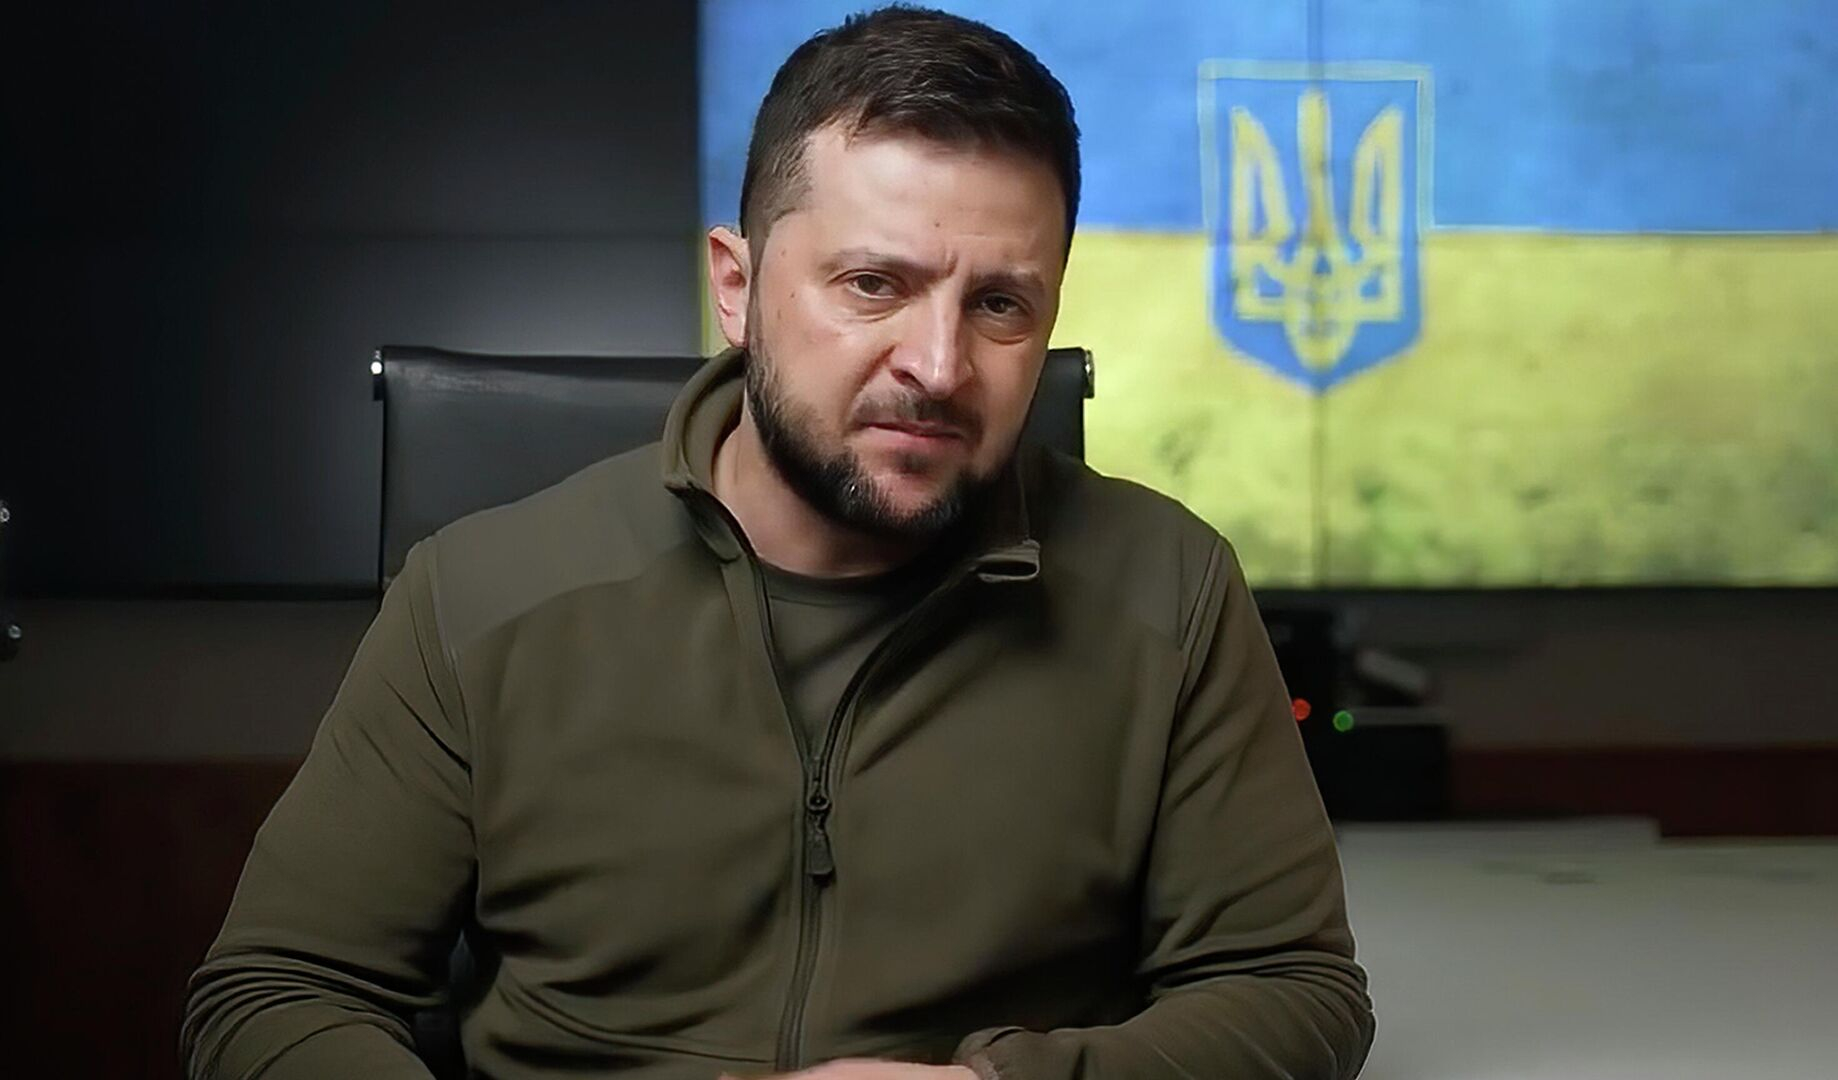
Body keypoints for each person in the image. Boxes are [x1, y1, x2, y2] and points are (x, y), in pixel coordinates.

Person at [181, 6, 1374, 1078]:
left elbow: (1295, 995)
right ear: (735, 288)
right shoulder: (477, 596)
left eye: (1000, 305)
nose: (939, 366)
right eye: (873, 285)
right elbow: (275, 999)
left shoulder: (1169, 590)